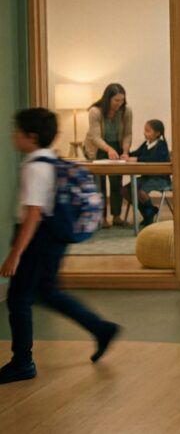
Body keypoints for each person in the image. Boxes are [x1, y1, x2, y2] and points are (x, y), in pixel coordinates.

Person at [1, 108, 120, 384]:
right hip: (52, 237)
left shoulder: (34, 168)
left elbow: (32, 214)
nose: (12, 135)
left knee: (19, 299)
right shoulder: (49, 162)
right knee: (47, 292)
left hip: (37, 239)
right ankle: (101, 328)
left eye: (16, 130)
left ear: (30, 137)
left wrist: (15, 255)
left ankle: (22, 362)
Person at [84, 83, 133, 228]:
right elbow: (95, 137)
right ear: (107, 99)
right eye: (116, 100)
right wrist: (109, 149)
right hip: (97, 148)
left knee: (116, 182)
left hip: (117, 146)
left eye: (122, 100)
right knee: (99, 184)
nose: (119, 103)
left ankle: (116, 216)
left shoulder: (126, 111)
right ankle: (102, 218)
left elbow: (128, 134)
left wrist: (124, 151)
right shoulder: (95, 111)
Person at [122, 119, 171, 227]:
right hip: (147, 177)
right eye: (145, 130)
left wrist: (136, 159)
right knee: (125, 190)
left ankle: (149, 213)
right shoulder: (146, 143)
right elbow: (137, 153)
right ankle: (149, 211)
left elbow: (153, 159)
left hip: (160, 178)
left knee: (142, 192)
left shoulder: (161, 145)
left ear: (157, 133)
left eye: (148, 131)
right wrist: (127, 155)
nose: (145, 133)